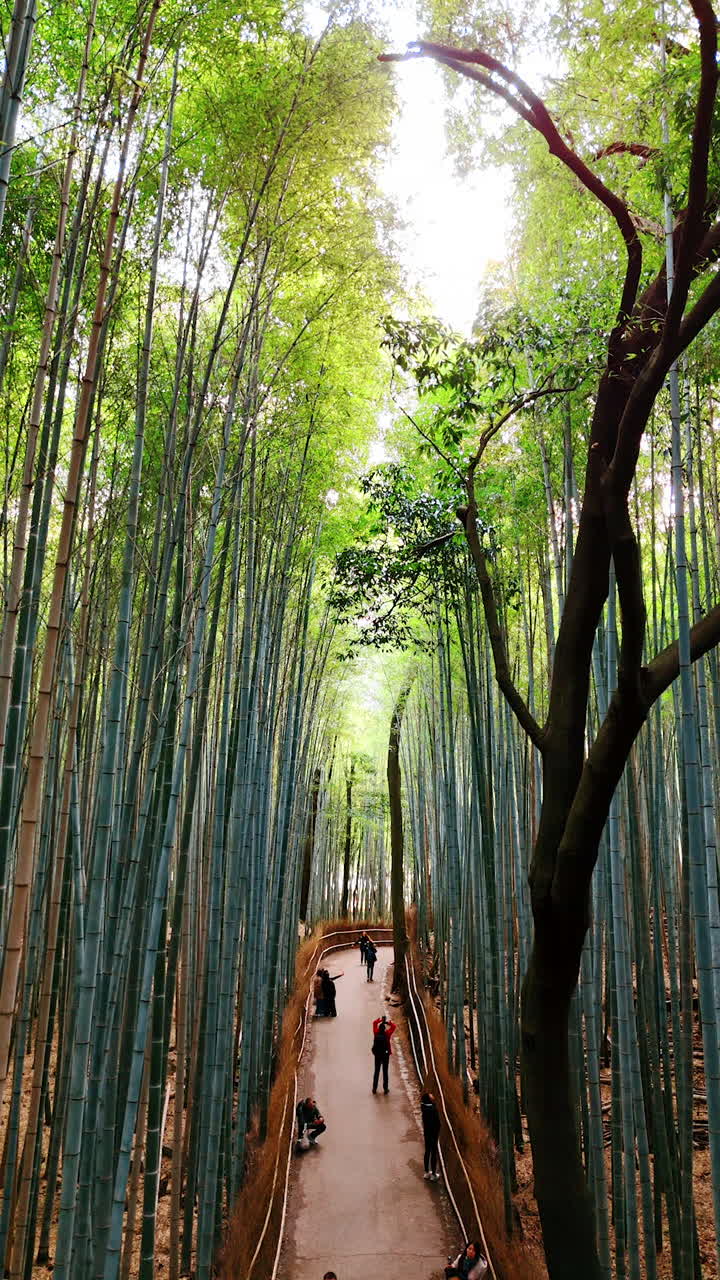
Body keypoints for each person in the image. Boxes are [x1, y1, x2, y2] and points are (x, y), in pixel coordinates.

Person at [371, 1014, 396, 1094]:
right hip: (385, 1055)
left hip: (377, 1055)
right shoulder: (387, 1034)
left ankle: (374, 1088)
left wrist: (380, 1021)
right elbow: (394, 1027)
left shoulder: (376, 1033)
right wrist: (388, 1023)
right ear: (385, 1029)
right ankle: (385, 1089)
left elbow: (374, 1023)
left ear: (379, 1028)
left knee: (376, 1071)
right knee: (385, 1072)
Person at [421, 1090, 441, 1180]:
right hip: (433, 1133)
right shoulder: (433, 1109)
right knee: (433, 1153)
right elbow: (437, 1123)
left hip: (427, 1133)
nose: (433, 1095)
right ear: (429, 1099)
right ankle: (433, 1173)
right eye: (431, 1095)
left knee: (427, 1151)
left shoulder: (424, 1108)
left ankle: (426, 1172)